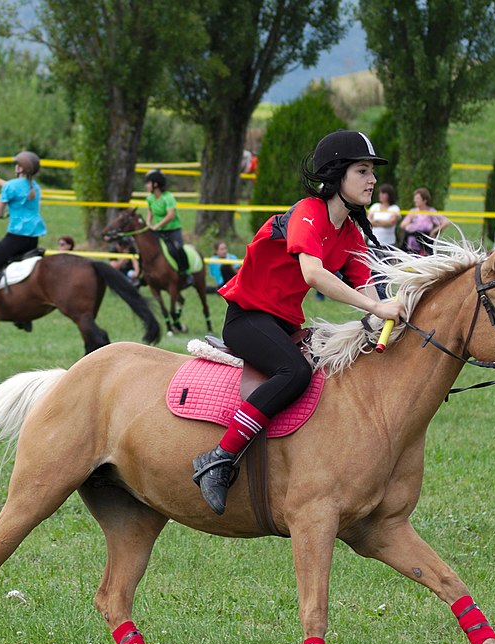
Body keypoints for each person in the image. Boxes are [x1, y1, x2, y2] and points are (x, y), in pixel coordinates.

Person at [192, 129, 403, 515]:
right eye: (363, 170)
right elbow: (314, 275)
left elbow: (367, 287)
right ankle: (218, 459)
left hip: (285, 325)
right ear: (337, 175)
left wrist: (386, 313)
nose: (372, 179)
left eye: (372, 171)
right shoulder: (308, 211)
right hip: (247, 320)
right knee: (294, 373)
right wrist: (377, 309)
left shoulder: (350, 232)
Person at [0, 151, 47, 323]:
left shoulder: (11, 187)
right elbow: (15, 188)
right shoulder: (34, 187)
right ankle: (23, 316)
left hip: (16, 237)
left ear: (19, 168)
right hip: (32, 239)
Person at [142, 169, 187, 274]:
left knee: (177, 249)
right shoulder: (150, 198)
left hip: (172, 230)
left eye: (148, 183)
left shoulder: (168, 198)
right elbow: (150, 211)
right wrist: (148, 222)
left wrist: (156, 226)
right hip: (158, 230)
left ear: (156, 184)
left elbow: (170, 215)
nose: (146, 186)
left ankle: (185, 271)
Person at [399, 187, 448, 256]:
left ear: (424, 200)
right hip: (411, 242)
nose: (415, 200)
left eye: (417, 198)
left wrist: (434, 231)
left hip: (425, 242)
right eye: (415, 198)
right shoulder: (413, 212)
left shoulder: (430, 211)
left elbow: (446, 222)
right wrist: (410, 221)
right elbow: (402, 225)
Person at [367, 184, 401, 248]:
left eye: (383, 193)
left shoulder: (395, 208)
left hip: (388, 244)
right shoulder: (375, 206)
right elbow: (368, 221)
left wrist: (376, 221)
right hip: (373, 243)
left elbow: (390, 223)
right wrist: (383, 222)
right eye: (380, 193)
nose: (381, 195)